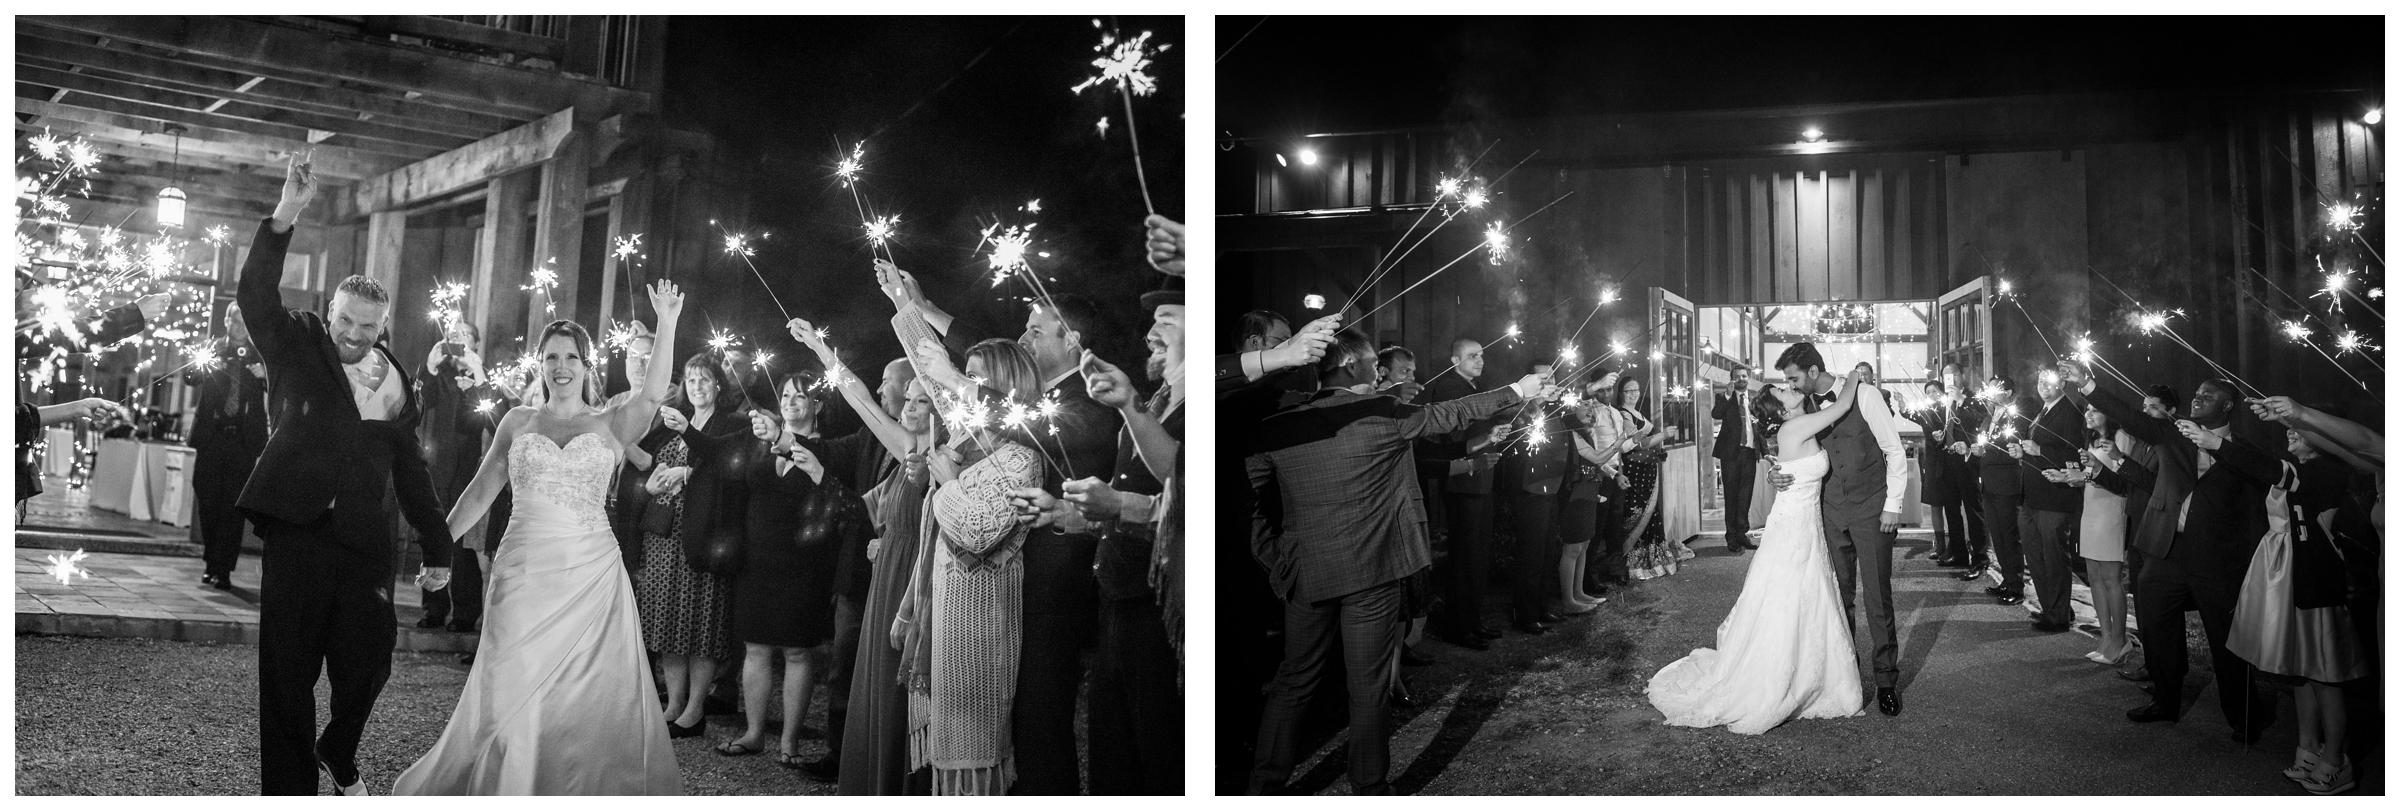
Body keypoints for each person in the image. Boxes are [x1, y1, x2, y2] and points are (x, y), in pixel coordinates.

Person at [393, 281, 687, 794]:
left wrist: (667, 323)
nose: (560, 366)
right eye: (551, 357)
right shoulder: (517, 420)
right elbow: (481, 491)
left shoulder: (613, 422)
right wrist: (439, 549)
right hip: (523, 570)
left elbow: (655, 392)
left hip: (591, 574)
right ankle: (511, 783)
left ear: (587, 364)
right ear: (540, 364)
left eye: (571, 356)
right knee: (513, 677)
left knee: (583, 689)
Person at [234, 156, 458, 796]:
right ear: (329, 311)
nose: (353, 335)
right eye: (345, 321)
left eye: (367, 326)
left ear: (383, 326)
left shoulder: (397, 380)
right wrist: (286, 215)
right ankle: (291, 791)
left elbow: (410, 467)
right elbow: (255, 292)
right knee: (287, 672)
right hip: (298, 530)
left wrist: (437, 547)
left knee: (369, 665)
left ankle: (336, 749)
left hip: (365, 540)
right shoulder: (296, 340)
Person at [1245, 327, 1541, 795]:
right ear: (1350, 366)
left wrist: (1276, 557)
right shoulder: (1379, 412)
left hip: (1305, 570)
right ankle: (1368, 785)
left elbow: (1251, 501)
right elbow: (1452, 413)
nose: (1375, 369)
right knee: (1367, 685)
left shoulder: (1276, 425)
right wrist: (1518, 391)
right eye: (1369, 363)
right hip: (1371, 570)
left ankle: (1265, 785)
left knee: (1294, 679)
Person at [1649, 367, 1882, 733]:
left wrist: (1777, 472)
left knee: (1806, 596)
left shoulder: (1801, 424)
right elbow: (1842, 405)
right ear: (1782, 409)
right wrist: (1853, 375)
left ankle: (1811, 671)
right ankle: (1780, 678)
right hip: (1794, 526)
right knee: (1788, 597)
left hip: (1804, 521)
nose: (1790, 388)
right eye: (1784, 390)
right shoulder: (1795, 427)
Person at [2057, 363, 2275, 740]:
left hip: (2215, 558)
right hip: (2165, 549)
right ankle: (2166, 699)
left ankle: (2242, 715)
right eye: (2197, 393)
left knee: (2226, 638)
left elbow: (2253, 509)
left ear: (2227, 407)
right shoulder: (2175, 434)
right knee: (2157, 628)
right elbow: (2129, 414)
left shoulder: (2242, 451)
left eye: (2208, 396)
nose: (2198, 398)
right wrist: (2088, 385)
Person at [890, 323, 1045, 795]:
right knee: (940, 754)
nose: (964, 390)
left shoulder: (1020, 458)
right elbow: (932, 538)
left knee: (973, 755)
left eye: (976, 379)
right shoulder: (962, 444)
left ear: (1003, 389)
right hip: (940, 616)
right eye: (965, 377)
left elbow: (977, 533)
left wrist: (950, 483)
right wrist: (907, 609)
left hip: (979, 628)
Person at [789, 317, 937, 795]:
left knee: (904, 693)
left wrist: (905, 305)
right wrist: (819, 348)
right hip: (884, 577)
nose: (911, 408)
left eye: (922, 400)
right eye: (908, 399)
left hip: (918, 582)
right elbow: (861, 399)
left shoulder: (945, 456)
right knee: (870, 683)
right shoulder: (905, 445)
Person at [716, 373, 863, 771]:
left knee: (797, 651)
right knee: (756, 647)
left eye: (801, 396)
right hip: (758, 560)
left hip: (804, 564)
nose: (792, 402)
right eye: (785, 395)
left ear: (818, 405)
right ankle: (752, 732)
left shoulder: (830, 451)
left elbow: (834, 499)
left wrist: (781, 437)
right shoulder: (761, 446)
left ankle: (790, 740)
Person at [2216, 418, 2369, 794]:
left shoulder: (2326, 472)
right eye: (2289, 427)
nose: (2290, 432)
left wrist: (2215, 442)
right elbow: (2258, 463)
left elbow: (2270, 470)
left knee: (2325, 675)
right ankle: (2308, 748)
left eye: (2299, 427)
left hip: (2318, 582)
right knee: (2300, 672)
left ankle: (2337, 759)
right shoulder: (2299, 469)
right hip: (2288, 578)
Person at [1768, 346, 1909, 716]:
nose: (1791, 386)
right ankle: (1846, 676)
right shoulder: (1803, 408)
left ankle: (1886, 682)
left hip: (1872, 510)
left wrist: (1893, 505)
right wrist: (1776, 474)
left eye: (1794, 378)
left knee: (1878, 598)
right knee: (1837, 599)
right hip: (1829, 514)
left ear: (1813, 370)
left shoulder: (1865, 395)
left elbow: (1894, 451)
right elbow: (1791, 457)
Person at [637, 351, 750, 739]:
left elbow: (731, 469)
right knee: (668, 623)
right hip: (664, 536)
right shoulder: (670, 423)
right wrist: (653, 481)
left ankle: (696, 707)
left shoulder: (731, 423)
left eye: (704, 379)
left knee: (700, 625)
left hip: (705, 535)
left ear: (718, 384)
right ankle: (673, 703)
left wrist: (690, 470)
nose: (696, 386)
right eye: (690, 379)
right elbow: (647, 463)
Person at [415, 317, 500, 630]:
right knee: (434, 538)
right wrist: (429, 367)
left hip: (470, 470)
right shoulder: (437, 375)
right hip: (437, 467)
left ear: (476, 345)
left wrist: (477, 375)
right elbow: (418, 403)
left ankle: (464, 615)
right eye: (453, 335)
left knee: (465, 549)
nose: (459, 340)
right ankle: (433, 609)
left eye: (466, 336)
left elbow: (494, 415)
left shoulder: (483, 377)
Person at [187, 302, 268, 590]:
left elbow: (282, 386)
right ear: (226, 321)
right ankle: (211, 560)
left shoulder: (261, 355)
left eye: (245, 322)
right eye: (236, 321)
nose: (240, 327)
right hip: (212, 437)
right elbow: (189, 377)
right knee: (207, 500)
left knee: (233, 508)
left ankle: (223, 569)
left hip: (243, 441)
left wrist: (264, 376)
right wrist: (206, 365)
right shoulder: (213, 347)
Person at [2052, 405, 2134, 664]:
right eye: (2087, 410)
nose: (2088, 414)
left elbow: (2125, 477)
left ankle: (2121, 640)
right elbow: (2092, 477)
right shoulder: (2093, 440)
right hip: (2091, 510)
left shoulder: (2121, 437)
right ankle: (2106, 637)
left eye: (2096, 410)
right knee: (2095, 578)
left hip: (2111, 511)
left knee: (2111, 579)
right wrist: (2069, 477)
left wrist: (2091, 472)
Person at [2015, 371, 2086, 632]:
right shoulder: (2042, 411)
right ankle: (2052, 608)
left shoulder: (2070, 411)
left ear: (2062, 384)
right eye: (2039, 382)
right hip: (2031, 495)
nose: (2043, 387)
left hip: (2054, 497)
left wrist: (2041, 450)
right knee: (2035, 555)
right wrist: (2021, 451)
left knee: (2054, 558)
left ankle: (2058, 616)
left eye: (2049, 382)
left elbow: (2076, 453)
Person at [1912, 378, 1984, 571]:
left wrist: (1967, 446)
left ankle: (1980, 556)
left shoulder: (1970, 402)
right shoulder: (1945, 406)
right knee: (1951, 511)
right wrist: (1941, 438)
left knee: (1972, 511)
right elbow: (1943, 429)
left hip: (1967, 463)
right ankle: (1959, 553)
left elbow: (1976, 423)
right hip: (1948, 464)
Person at [1617, 374, 1680, 580]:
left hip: (1647, 470)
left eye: (1636, 390)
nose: (1633, 394)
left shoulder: (1636, 412)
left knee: (1652, 513)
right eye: (1628, 391)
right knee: (1638, 511)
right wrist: (1664, 435)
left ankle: (1654, 557)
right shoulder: (1623, 415)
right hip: (1634, 471)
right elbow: (1638, 443)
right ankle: (1634, 562)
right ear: (1621, 393)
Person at [1973, 376, 2028, 600]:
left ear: (2007, 392)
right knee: (1997, 535)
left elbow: (2011, 446)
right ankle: (2007, 579)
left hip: (2006, 482)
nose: (1989, 392)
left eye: (1994, 388)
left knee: (2009, 534)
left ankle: (2016, 585)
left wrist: (1984, 451)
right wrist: (1972, 449)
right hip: (1988, 481)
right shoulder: (1990, 415)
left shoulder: (2015, 415)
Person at [1711, 367, 1763, 553]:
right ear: (1731, 380)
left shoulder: (1756, 399)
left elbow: (1759, 426)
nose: (1741, 379)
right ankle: (1731, 537)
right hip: (1731, 454)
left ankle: (1742, 534)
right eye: (1737, 377)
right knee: (1731, 496)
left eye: (1744, 376)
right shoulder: (1725, 397)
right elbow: (1716, 414)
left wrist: (1765, 450)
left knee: (1745, 497)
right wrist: (1727, 394)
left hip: (1750, 453)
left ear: (1748, 378)